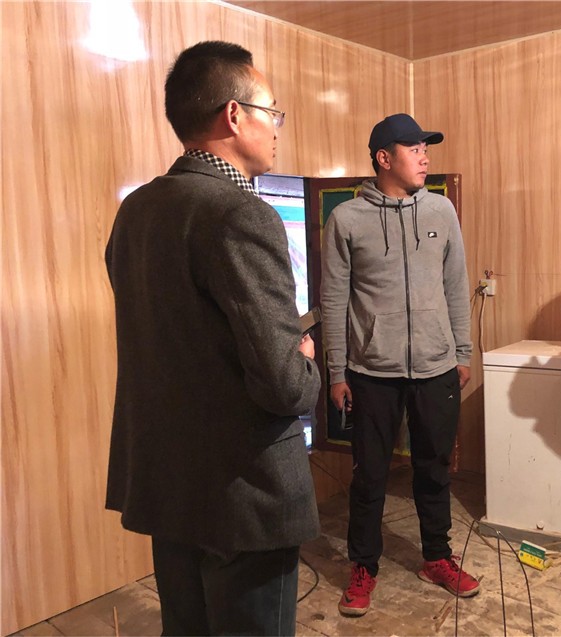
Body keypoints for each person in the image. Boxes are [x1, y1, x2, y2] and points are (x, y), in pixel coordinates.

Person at [105, 41, 321, 636]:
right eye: (271, 112)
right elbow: (283, 385)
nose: (276, 128)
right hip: (244, 493)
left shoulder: (137, 210)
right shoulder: (240, 214)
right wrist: (304, 361)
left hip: (168, 478)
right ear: (233, 115)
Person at [321, 113, 480, 616]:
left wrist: (461, 352)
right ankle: (363, 566)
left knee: (434, 469)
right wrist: (337, 372)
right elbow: (333, 300)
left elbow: (456, 284)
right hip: (372, 372)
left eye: (426, 148)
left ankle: (436, 556)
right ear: (384, 158)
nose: (425, 157)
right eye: (415, 149)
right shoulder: (346, 219)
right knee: (369, 476)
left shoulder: (441, 210)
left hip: (436, 367)